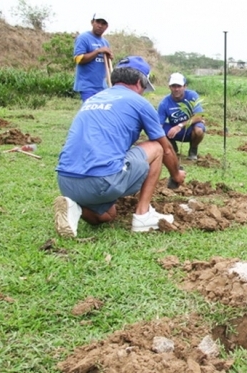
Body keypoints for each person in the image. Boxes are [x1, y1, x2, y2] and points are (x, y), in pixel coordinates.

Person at [54, 56, 186, 238]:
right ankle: (143, 215)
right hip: (102, 181)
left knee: (108, 215)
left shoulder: (92, 99)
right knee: (156, 148)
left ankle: (73, 207)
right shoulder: (139, 102)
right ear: (140, 82)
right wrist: (176, 174)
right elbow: (167, 149)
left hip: (66, 182)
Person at [157, 73, 206, 161]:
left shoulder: (192, 95)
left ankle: (193, 149)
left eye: (179, 86)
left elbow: (199, 116)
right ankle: (172, 148)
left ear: (185, 86)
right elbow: (159, 124)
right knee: (159, 130)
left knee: (199, 130)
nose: (176, 89)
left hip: (190, 130)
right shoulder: (164, 103)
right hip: (174, 132)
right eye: (173, 86)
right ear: (169, 87)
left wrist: (179, 126)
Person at [73, 13, 113, 102]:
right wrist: (98, 51)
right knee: (92, 112)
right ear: (92, 22)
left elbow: (107, 65)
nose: (100, 26)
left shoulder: (105, 42)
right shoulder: (83, 38)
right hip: (87, 86)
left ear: (107, 26)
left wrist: (109, 57)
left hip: (102, 86)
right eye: (98, 22)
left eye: (103, 24)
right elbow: (79, 59)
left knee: (103, 112)